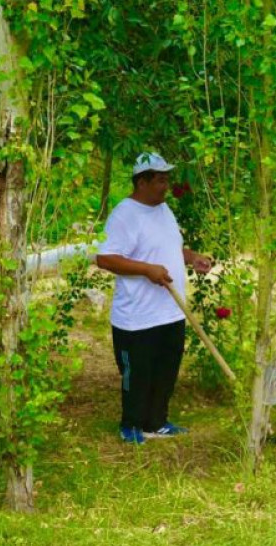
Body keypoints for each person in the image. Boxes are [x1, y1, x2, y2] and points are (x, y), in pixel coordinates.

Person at [96, 152, 213, 444]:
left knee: (165, 371)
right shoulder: (124, 214)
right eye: (161, 180)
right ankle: (131, 425)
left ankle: (156, 422)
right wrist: (146, 270)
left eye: (167, 179)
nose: (167, 185)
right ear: (143, 181)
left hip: (171, 312)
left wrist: (193, 258)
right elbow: (105, 258)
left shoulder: (163, 210)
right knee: (137, 375)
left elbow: (171, 249)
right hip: (137, 318)